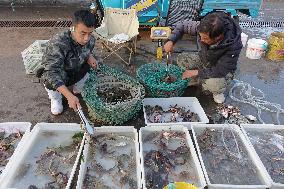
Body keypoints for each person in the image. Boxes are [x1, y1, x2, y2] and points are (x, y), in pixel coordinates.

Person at [164, 12, 243, 103]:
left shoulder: (234, 44)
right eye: (200, 36)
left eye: (205, 38)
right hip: (205, 59)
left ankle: (217, 91)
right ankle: (196, 79)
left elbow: (222, 70)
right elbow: (182, 25)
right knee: (182, 59)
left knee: (215, 85)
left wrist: (196, 72)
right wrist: (171, 41)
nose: (201, 40)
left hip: (221, 71)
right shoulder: (204, 28)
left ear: (218, 37)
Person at [40, 10, 98, 115]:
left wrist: (90, 56)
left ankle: (77, 89)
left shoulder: (91, 40)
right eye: (83, 33)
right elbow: (51, 72)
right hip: (61, 74)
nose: (86, 38)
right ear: (73, 28)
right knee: (48, 79)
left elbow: (88, 49)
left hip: (77, 68)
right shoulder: (58, 43)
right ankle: (56, 98)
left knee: (89, 68)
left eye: (90, 33)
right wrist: (68, 96)